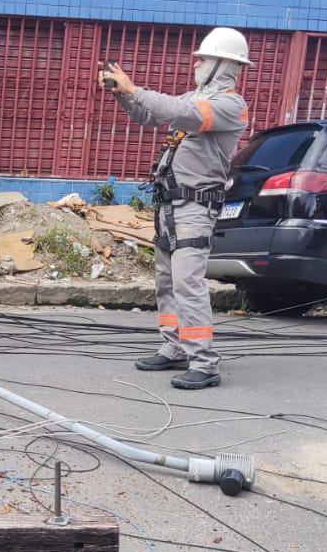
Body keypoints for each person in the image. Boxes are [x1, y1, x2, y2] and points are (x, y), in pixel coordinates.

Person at [98, 27, 251, 389]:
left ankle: (205, 363)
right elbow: (149, 115)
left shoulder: (229, 105)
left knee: (188, 284)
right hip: (171, 205)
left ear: (222, 65)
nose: (195, 63)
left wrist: (135, 88)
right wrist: (123, 94)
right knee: (166, 282)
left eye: (203, 58)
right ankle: (175, 348)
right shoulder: (196, 98)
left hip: (195, 208)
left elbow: (180, 111)